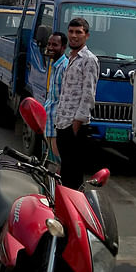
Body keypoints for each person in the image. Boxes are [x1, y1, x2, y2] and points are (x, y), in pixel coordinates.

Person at [55, 18, 99, 189]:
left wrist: (75, 125)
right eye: (71, 32)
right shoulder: (71, 58)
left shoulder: (89, 60)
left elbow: (88, 95)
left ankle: (74, 214)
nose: (74, 36)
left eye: (78, 32)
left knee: (73, 176)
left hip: (74, 127)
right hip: (62, 123)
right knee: (65, 172)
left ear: (86, 35)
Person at [43, 31, 69, 167]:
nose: (51, 47)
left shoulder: (65, 67)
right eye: (49, 44)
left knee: (57, 165)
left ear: (64, 47)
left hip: (56, 126)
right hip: (49, 123)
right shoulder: (54, 66)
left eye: (55, 45)